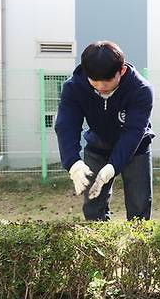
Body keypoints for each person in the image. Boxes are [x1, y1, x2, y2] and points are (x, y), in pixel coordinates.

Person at [55, 41, 154, 221]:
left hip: (135, 147)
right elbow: (66, 125)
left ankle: (139, 246)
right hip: (97, 144)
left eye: (107, 80)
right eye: (94, 80)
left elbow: (133, 132)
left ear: (122, 71)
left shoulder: (140, 89)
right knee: (93, 205)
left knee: (139, 206)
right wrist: (73, 163)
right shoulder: (74, 87)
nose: (101, 86)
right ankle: (98, 245)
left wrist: (113, 166)